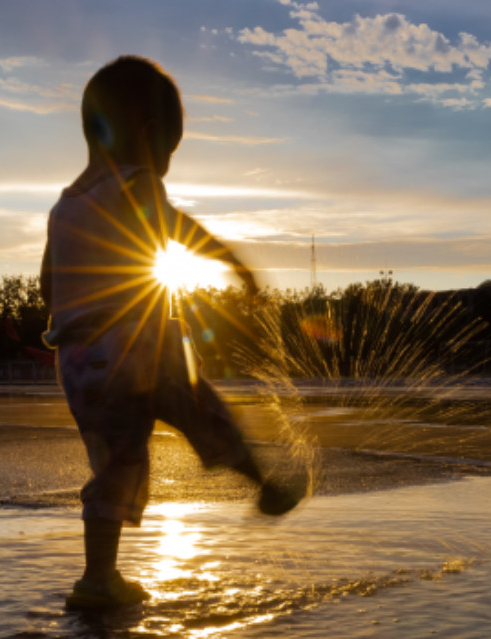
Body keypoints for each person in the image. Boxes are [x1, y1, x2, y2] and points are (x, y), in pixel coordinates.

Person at [40, 55, 300, 611]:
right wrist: (235, 263)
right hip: (135, 345)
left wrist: (65, 328)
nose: (167, 168)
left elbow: (47, 283)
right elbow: (179, 230)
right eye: (169, 154)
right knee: (202, 409)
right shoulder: (138, 185)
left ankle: (97, 579)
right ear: (151, 136)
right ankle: (265, 486)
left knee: (117, 463)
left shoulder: (63, 207)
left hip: (78, 363)